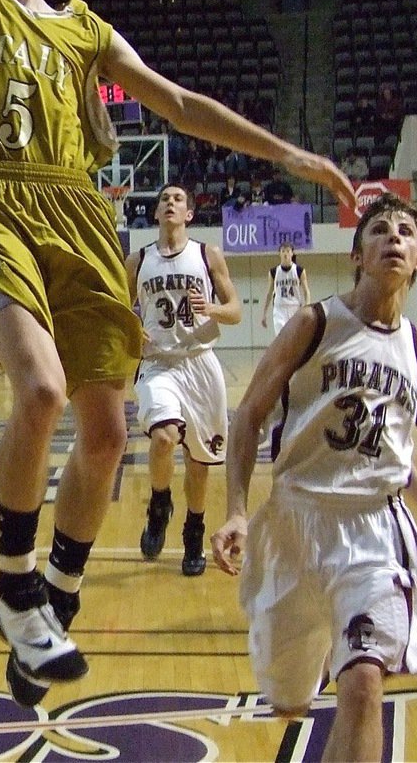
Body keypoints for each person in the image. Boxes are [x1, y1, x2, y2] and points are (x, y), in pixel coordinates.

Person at [0, 0, 355, 708]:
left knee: (109, 433)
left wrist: (289, 154)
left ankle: (59, 599)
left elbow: (181, 103)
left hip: (76, 212)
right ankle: (15, 585)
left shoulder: (87, 31)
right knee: (40, 390)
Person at [210, 194, 417, 762]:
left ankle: (352, 650)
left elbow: (392, 448)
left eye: (405, 231)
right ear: (356, 254)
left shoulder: (415, 344)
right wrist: (237, 511)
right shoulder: (315, 322)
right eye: (379, 229)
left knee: (364, 685)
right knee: (290, 698)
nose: (393, 237)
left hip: (375, 532)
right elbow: (248, 416)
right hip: (297, 522)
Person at [125, 183, 241, 577]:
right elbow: (119, 309)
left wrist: (211, 308)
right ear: (156, 213)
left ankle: (194, 530)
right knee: (163, 438)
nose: (170, 203)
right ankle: (159, 505)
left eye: (178, 199)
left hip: (200, 363)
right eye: (164, 199)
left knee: (199, 462)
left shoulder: (208, 255)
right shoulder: (138, 260)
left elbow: (235, 310)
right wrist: (130, 328)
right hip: (158, 363)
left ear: (189, 214)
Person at [261, 242, 311, 336]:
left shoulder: (299, 270)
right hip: (279, 308)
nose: (285, 254)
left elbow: (306, 291)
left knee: (294, 337)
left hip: (294, 307)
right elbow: (269, 293)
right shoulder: (273, 272)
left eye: (288, 251)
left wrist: (307, 308)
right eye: (283, 251)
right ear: (279, 253)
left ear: (292, 253)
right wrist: (264, 313)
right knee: (281, 337)